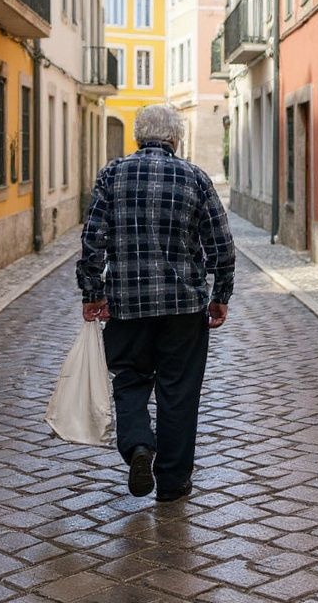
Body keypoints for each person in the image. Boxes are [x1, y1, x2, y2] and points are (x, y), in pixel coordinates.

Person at [76, 104, 235, 502]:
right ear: (175, 138)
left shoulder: (112, 174)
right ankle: (172, 482)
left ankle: (138, 446)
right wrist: (220, 295)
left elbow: (93, 238)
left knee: (128, 378)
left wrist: (92, 291)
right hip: (184, 307)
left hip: (126, 305)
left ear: (137, 136)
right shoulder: (195, 177)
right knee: (179, 391)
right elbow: (221, 244)